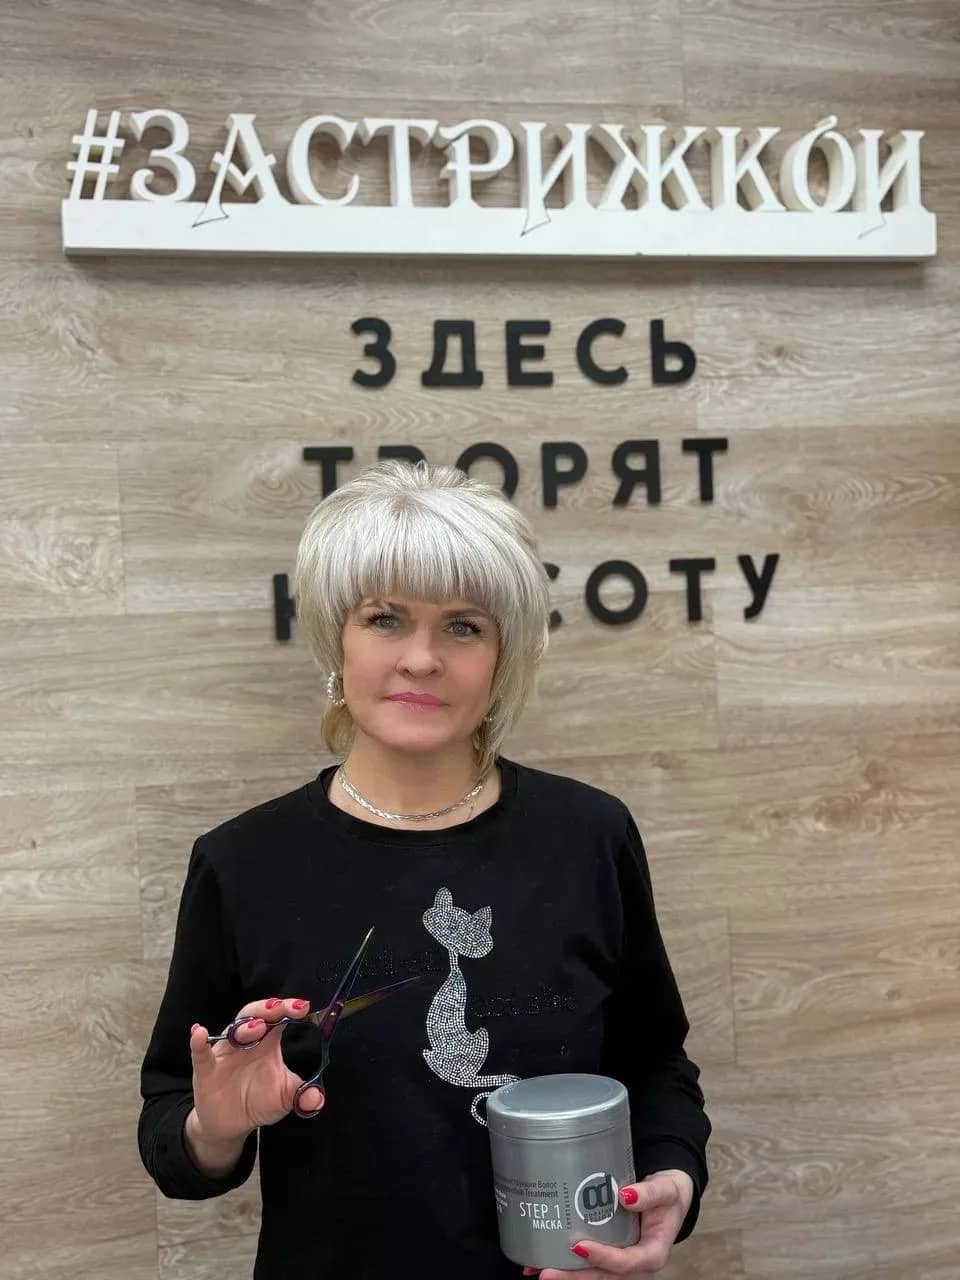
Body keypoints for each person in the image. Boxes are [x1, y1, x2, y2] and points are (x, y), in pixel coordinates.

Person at [138, 458, 711, 1280]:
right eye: (385, 619)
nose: (421, 658)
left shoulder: (589, 835)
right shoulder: (242, 863)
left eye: (464, 627)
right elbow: (173, 1123)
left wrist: (673, 1179)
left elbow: (654, 1062)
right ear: (336, 639)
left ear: (502, 657)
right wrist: (215, 1127)